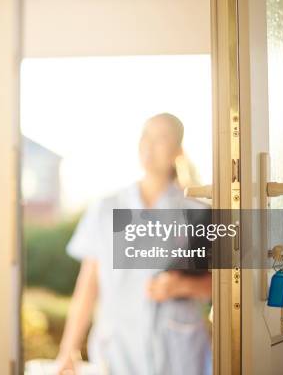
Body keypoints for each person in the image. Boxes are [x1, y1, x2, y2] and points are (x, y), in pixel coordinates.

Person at [55, 113, 212, 375]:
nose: (149, 145)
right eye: (145, 136)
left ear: (178, 151)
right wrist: (67, 351)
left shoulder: (197, 212)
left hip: (179, 351)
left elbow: (225, 285)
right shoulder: (105, 209)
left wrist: (182, 285)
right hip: (116, 348)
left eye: (161, 138)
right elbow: (88, 285)